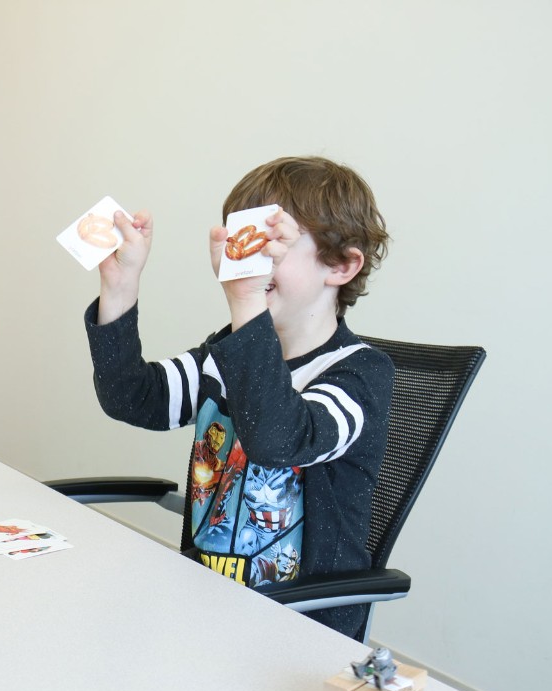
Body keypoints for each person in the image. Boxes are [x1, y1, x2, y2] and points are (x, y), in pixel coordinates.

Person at [84, 156, 393, 641]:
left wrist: (247, 302)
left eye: (271, 246)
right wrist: (120, 290)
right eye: (240, 242)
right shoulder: (224, 352)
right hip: (208, 605)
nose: (249, 261)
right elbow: (132, 397)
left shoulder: (360, 374)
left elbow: (278, 438)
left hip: (303, 627)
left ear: (341, 265)